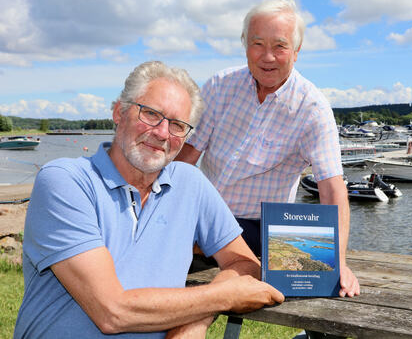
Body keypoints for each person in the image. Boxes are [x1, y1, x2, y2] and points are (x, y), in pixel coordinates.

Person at [14, 61, 284, 339]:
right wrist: (224, 297)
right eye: (151, 114)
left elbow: (244, 263)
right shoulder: (66, 181)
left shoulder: (189, 183)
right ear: (119, 112)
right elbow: (112, 312)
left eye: (178, 125)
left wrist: (191, 324)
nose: (162, 133)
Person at [175, 0, 360, 298]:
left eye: (280, 46)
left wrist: (338, 261)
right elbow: (187, 157)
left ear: (297, 52)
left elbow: (331, 187)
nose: (267, 57)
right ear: (245, 45)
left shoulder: (311, 108)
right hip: (203, 214)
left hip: (257, 228)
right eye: (257, 44)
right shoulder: (220, 86)